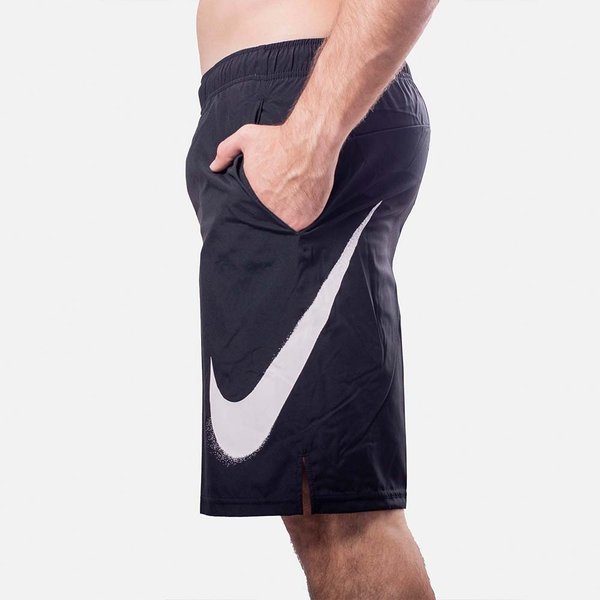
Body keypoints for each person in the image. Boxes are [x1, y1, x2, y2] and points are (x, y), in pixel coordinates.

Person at [185, 1, 439, 598]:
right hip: (278, 106)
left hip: (298, 101)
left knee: (341, 518)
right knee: (321, 507)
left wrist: (313, 134)